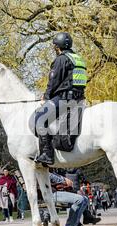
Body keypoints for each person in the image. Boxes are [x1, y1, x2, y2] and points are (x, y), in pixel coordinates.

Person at [34, 32, 87, 166]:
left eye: (55, 46)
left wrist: (46, 97)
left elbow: (54, 80)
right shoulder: (78, 59)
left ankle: (46, 154)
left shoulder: (61, 59)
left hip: (65, 99)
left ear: (58, 47)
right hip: (79, 99)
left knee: (40, 118)